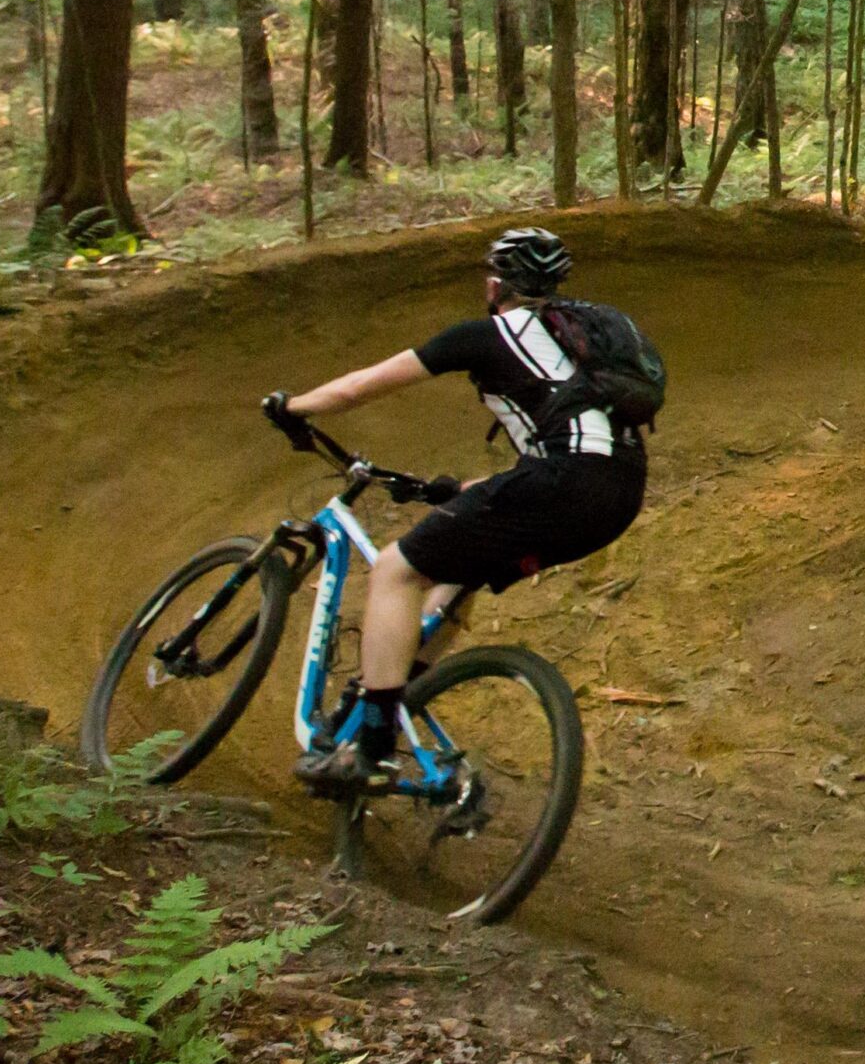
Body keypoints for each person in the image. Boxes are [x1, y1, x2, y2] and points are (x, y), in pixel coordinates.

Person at [263, 225, 646, 794]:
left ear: (496, 285)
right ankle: (392, 691)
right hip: (618, 493)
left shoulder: (483, 336)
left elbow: (358, 389)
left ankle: (370, 749)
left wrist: (291, 407)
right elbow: (575, 452)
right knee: (456, 575)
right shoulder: (580, 343)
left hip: (559, 481)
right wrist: (462, 488)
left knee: (395, 569)